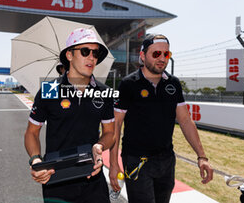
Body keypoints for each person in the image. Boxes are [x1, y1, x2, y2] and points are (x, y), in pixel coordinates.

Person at [109, 34, 213, 203]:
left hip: (166, 161)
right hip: (137, 161)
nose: (162, 58)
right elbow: (116, 124)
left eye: (166, 54)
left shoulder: (173, 83)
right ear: (143, 56)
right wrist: (114, 164)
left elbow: (185, 121)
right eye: (156, 54)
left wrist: (202, 157)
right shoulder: (129, 84)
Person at [24, 28, 115, 203]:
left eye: (95, 53)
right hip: (57, 181)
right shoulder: (49, 90)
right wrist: (35, 160)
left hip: (93, 177)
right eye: (85, 51)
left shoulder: (104, 92)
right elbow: (31, 132)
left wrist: (99, 146)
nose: (91, 58)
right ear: (69, 55)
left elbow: (110, 132)